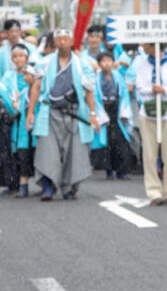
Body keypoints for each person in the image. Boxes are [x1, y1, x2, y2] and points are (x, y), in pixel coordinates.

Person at [27, 28, 100, 200]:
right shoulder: (44, 63)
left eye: (65, 38)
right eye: (58, 38)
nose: (61, 41)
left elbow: (89, 91)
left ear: (72, 40)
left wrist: (92, 113)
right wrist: (31, 111)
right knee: (47, 150)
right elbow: (36, 87)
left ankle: (69, 187)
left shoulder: (82, 65)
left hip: (73, 111)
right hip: (49, 111)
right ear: (54, 42)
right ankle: (47, 186)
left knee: (74, 152)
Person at [134, 42, 167, 206]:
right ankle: (154, 192)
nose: (145, 48)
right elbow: (140, 86)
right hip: (148, 113)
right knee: (149, 154)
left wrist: (164, 90)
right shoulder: (143, 63)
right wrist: (152, 90)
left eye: (147, 45)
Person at [90, 50, 135, 180]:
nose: (107, 64)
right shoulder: (96, 79)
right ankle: (109, 170)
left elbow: (124, 94)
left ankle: (122, 171)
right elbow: (95, 98)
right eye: (103, 61)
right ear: (99, 64)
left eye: (109, 61)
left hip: (117, 109)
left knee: (121, 142)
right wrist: (101, 117)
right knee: (107, 143)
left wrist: (124, 113)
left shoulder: (118, 77)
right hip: (104, 109)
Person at [5, 44, 35, 195]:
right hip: (15, 120)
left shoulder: (34, 73)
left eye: (21, 56)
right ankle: (21, 184)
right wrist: (13, 105)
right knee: (19, 151)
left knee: (36, 151)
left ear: (27, 57)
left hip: (33, 117)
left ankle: (45, 184)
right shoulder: (8, 76)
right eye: (15, 56)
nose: (18, 59)